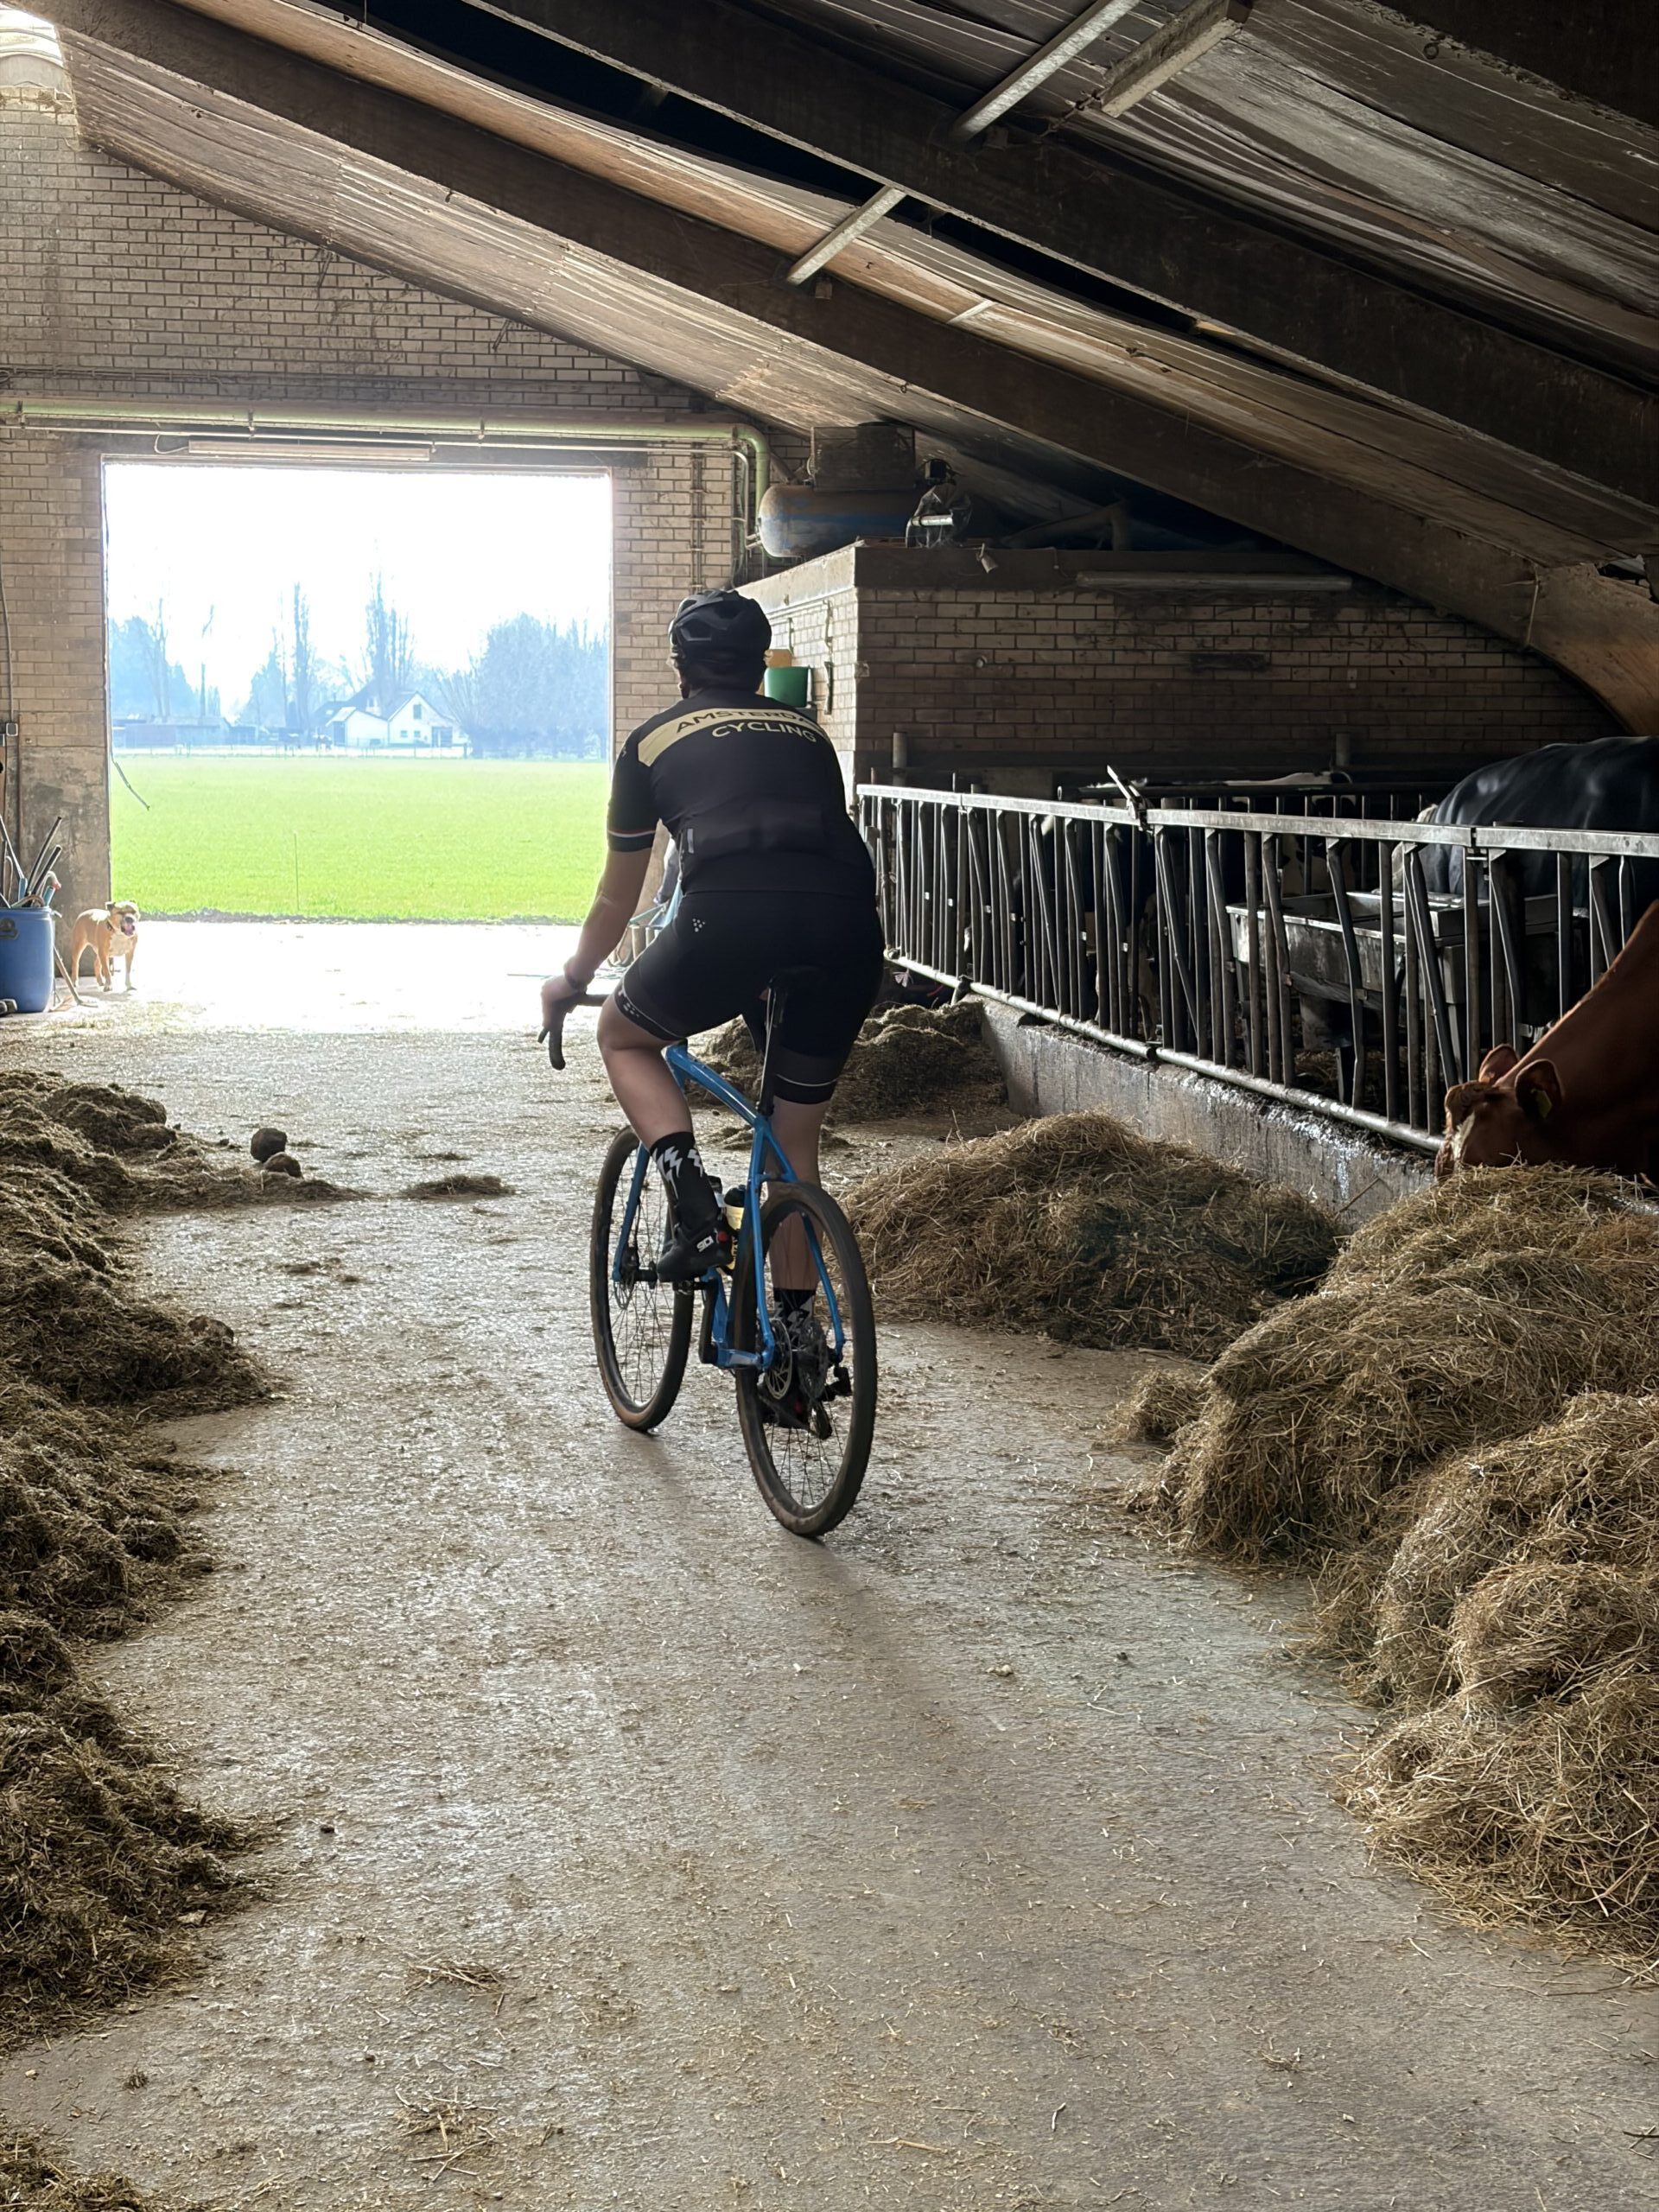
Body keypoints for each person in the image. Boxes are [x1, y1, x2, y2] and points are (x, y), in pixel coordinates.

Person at [540, 588, 885, 1289]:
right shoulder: (809, 733)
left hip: (728, 917)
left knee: (624, 1036)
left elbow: (617, 898)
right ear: (760, 669)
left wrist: (572, 978)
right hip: (848, 925)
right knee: (795, 1145)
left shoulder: (650, 743)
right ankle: (795, 1359)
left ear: (679, 668)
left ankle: (696, 1211)